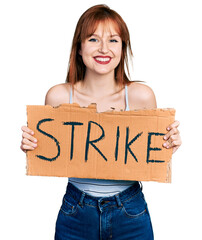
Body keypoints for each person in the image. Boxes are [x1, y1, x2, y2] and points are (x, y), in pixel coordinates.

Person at [20, 4, 182, 240]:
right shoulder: (59, 97)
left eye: (113, 40)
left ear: (123, 48)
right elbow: (48, 149)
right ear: (79, 47)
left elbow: (149, 152)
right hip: (76, 212)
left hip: (130, 212)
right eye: (93, 39)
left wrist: (169, 145)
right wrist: (31, 145)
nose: (104, 48)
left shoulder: (141, 96)